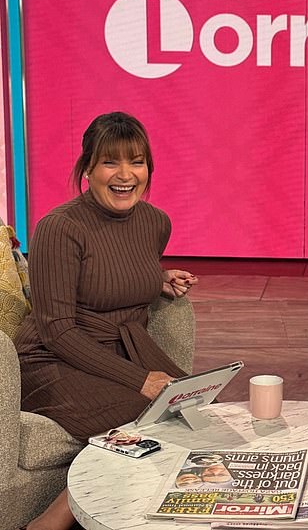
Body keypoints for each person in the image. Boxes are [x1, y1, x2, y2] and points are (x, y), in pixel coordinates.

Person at [15, 112, 199, 530]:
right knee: (150, 416)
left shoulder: (156, 223)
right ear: (88, 169)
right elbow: (56, 328)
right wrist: (141, 380)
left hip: (125, 349)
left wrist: (157, 279)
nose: (125, 174)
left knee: (198, 412)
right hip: (55, 358)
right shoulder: (58, 228)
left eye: (136, 161)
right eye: (109, 162)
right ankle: (49, 521)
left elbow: (114, 269)